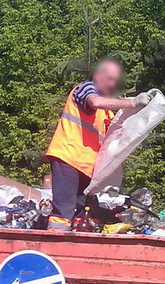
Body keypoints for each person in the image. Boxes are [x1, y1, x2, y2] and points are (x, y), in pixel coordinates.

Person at [44, 58, 156, 231]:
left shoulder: (105, 114)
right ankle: (55, 246)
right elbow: (95, 102)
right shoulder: (86, 88)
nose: (112, 84)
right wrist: (132, 102)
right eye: (109, 78)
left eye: (114, 80)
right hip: (68, 157)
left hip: (86, 168)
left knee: (82, 213)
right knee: (64, 212)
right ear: (98, 75)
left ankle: (73, 249)